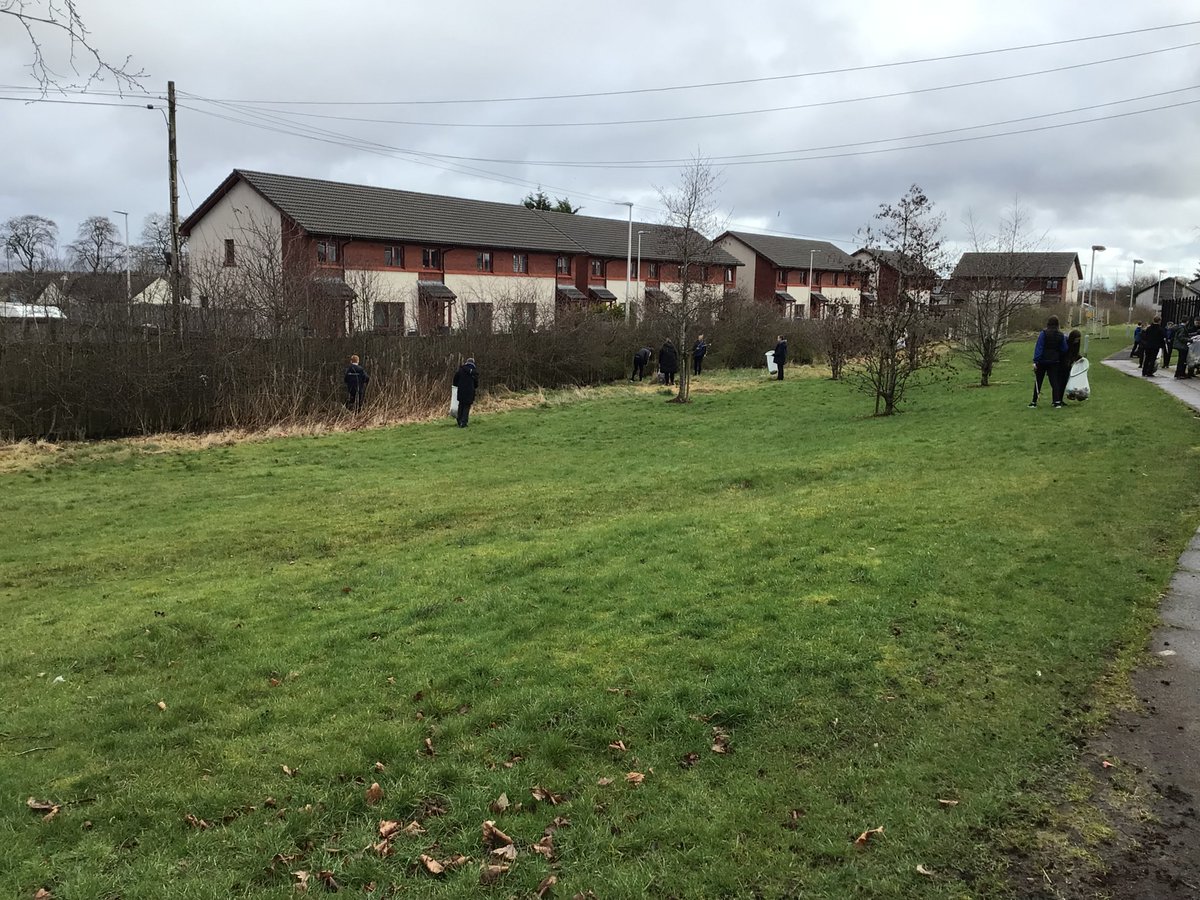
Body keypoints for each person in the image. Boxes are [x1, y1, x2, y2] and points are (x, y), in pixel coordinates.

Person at [1029, 315, 1068, 408]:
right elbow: (1064, 349)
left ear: (1048, 324)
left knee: (1038, 381)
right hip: (1054, 361)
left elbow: (1039, 347)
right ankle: (1056, 401)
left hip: (1042, 361)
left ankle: (1034, 402)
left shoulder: (1043, 333)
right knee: (1054, 382)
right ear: (1057, 324)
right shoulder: (1060, 335)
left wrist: (1036, 360)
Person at [452, 357, 479, 427]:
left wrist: (457, 385)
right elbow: (476, 383)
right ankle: (463, 422)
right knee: (467, 406)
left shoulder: (461, 370)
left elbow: (455, 379)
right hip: (470, 391)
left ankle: (459, 420)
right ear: (473, 363)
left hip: (461, 390)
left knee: (461, 405)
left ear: (466, 362)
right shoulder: (474, 372)